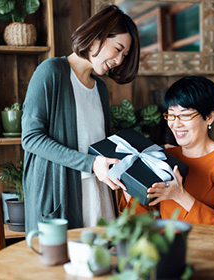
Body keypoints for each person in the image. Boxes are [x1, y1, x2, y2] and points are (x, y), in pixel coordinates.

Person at [22, 5, 140, 233]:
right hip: (62, 196)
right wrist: (91, 164)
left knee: (101, 262)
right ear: (97, 36)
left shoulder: (101, 89)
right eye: (117, 49)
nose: (118, 60)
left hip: (99, 193)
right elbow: (31, 138)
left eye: (124, 56)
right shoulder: (51, 72)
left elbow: (102, 145)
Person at [119, 76, 214, 227]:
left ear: (209, 116)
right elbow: (143, 222)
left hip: (212, 247)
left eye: (185, 115)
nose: (176, 124)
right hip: (167, 245)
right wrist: (126, 182)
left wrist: (180, 196)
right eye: (171, 114)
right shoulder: (165, 156)